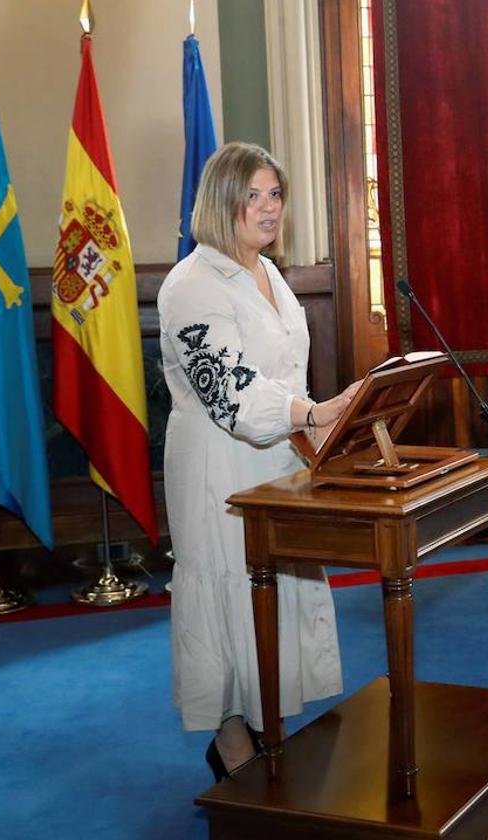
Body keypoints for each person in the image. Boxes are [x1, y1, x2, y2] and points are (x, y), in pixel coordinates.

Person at [158, 142, 355, 780]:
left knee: (272, 591)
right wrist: (315, 412)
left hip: (279, 462)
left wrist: (316, 426)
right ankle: (231, 740)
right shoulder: (190, 284)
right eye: (253, 195)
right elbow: (230, 392)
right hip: (219, 466)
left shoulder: (269, 273)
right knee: (227, 590)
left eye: (275, 194)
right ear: (222, 202)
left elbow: (286, 371)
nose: (268, 208)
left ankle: (270, 721)